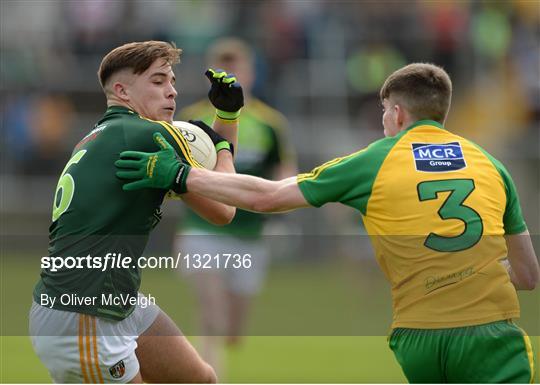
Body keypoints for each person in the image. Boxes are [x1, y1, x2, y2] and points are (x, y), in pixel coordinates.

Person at [116, 63, 539, 383]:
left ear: (397, 113)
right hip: (489, 336)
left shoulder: (374, 159)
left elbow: (268, 196)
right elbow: (527, 274)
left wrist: (179, 174)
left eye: (383, 113)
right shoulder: (492, 166)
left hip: (418, 339)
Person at [30, 40, 244, 383]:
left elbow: (216, 202)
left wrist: (224, 122)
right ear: (122, 91)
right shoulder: (148, 134)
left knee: (200, 378)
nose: (171, 92)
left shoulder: (96, 138)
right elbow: (225, 209)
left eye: (172, 81)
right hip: (83, 312)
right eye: (158, 82)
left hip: (114, 300)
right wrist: (223, 144)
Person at [173, 37, 297, 375]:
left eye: (237, 67)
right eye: (223, 68)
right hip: (202, 230)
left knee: (232, 332)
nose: (231, 74)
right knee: (212, 316)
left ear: (251, 73)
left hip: (249, 236)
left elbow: (285, 174)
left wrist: (283, 217)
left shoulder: (271, 123)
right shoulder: (189, 121)